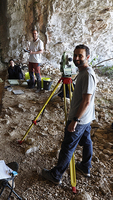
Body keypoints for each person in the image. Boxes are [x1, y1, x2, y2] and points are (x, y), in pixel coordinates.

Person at [41, 44, 97, 184]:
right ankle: (85, 166)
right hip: (86, 118)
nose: (77, 58)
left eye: (81, 56)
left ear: (87, 57)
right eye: (75, 55)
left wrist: (75, 120)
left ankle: (56, 175)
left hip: (80, 119)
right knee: (87, 141)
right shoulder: (84, 72)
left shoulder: (88, 75)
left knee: (67, 147)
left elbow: (86, 101)